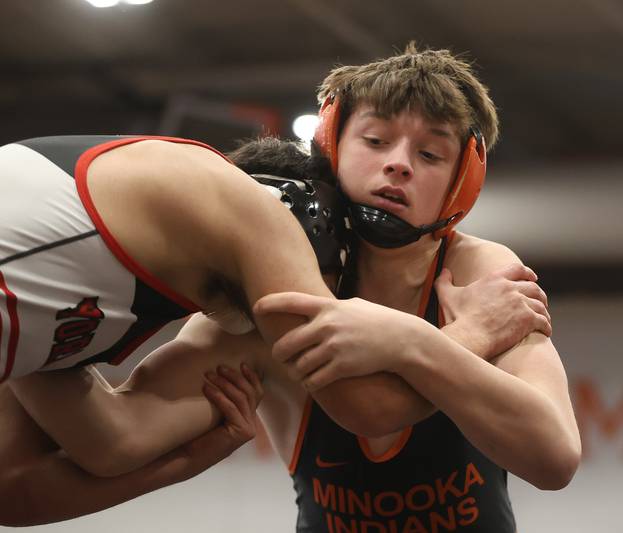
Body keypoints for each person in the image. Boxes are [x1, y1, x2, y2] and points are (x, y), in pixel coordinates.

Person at [0, 135, 549, 526]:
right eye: (322, 282)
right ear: (302, 226)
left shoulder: (80, 299)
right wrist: (472, 333)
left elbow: (30, 487)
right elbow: (369, 407)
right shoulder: (241, 206)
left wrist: (185, 463)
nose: (319, 304)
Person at [256, 44, 582, 532]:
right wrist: (461, 338)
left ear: (462, 183)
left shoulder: (478, 270)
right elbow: (127, 436)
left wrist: (407, 341)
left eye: (430, 154)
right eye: (375, 140)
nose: (399, 164)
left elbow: (555, 456)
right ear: (331, 147)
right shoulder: (291, 270)